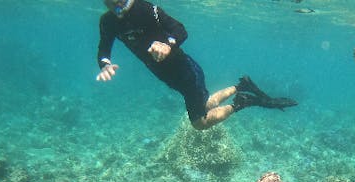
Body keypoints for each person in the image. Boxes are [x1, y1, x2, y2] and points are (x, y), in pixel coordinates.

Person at [96, 0, 297, 130]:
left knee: (199, 124)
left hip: (186, 72)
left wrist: (168, 44)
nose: (116, 4)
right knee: (206, 104)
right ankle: (241, 87)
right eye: (109, 2)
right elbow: (104, 49)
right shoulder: (107, 22)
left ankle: (243, 102)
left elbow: (179, 29)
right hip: (170, 78)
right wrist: (105, 65)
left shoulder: (147, 9)